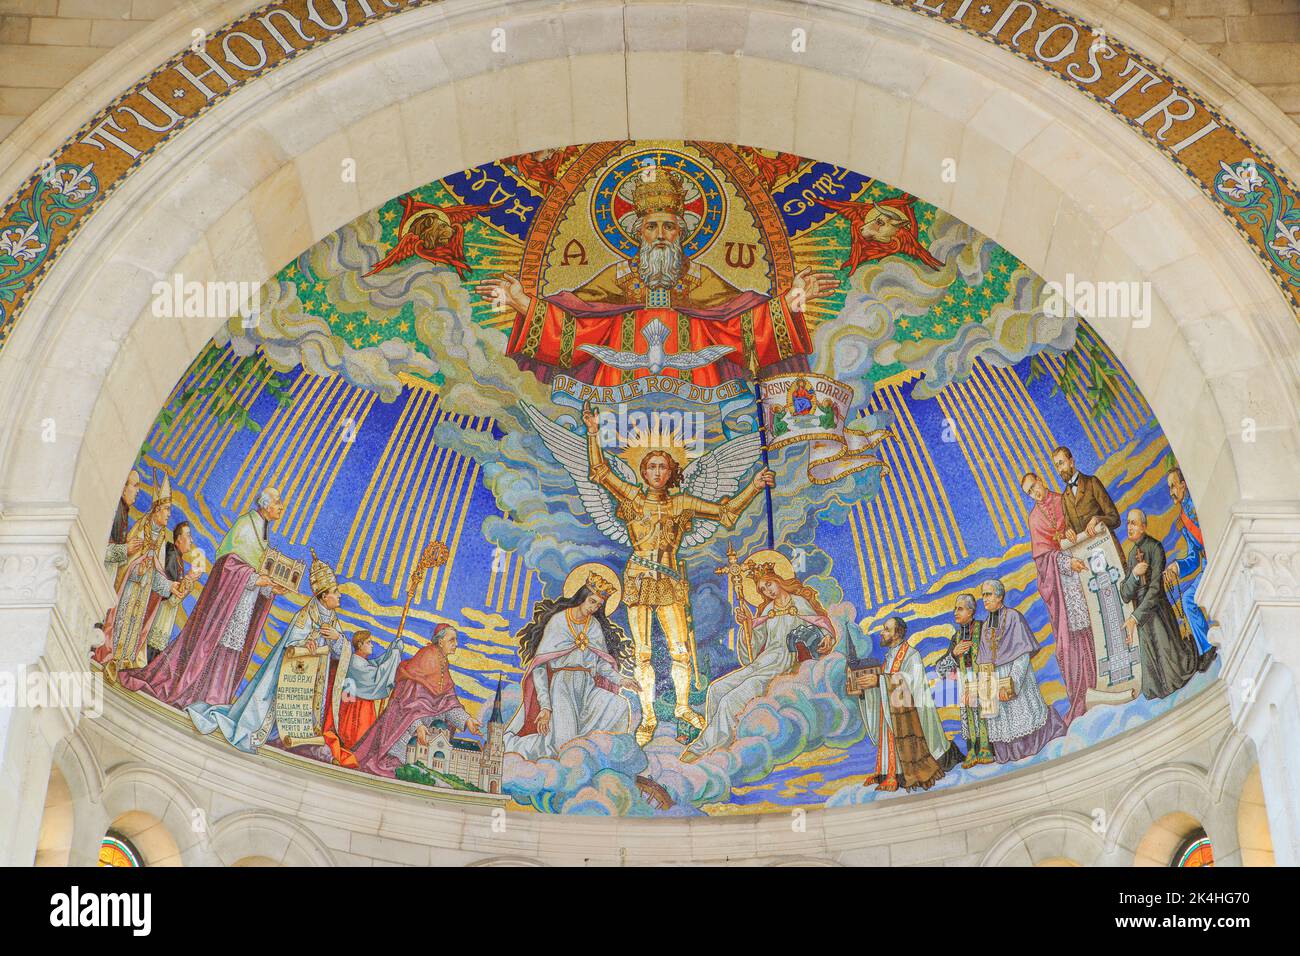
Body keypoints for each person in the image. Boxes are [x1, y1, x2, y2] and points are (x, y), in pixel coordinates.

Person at [479, 166, 835, 387]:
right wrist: (521, 302)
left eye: (669, 226)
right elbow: (578, 327)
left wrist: (791, 301)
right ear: (639, 234)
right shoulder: (615, 278)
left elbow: (740, 329)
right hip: (616, 393)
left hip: (701, 392)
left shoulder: (702, 279)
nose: (661, 233)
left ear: (682, 232)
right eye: (652, 226)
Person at [581, 402, 774, 745]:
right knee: (642, 652)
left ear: (671, 472)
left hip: (669, 578)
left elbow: (727, 513)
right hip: (640, 577)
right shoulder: (633, 498)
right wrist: (593, 432)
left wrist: (755, 487)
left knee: (680, 650)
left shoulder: (682, 503)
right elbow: (599, 471)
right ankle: (648, 716)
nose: (657, 472)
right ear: (643, 471)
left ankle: (683, 707)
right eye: (652, 466)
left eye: (663, 466)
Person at [118, 487, 289, 709]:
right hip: (227, 604)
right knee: (215, 644)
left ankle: (214, 698)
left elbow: (256, 573)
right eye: (278, 501)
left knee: (231, 648)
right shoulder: (245, 526)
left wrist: (271, 588)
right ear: (265, 505)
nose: (281, 506)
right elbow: (228, 564)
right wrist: (257, 580)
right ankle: (201, 695)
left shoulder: (263, 532)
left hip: (243, 604)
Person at [188, 550, 346, 759]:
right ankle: (262, 730)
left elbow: (342, 652)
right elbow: (292, 640)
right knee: (274, 707)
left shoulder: (332, 619)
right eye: (336, 591)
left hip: (312, 678)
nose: (340, 595)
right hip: (291, 674)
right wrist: (305, 642)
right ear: (324, 596)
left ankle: (294, 737)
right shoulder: (307, 613)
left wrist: (337, 638)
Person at [682, 560, 834, 762]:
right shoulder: (767, 610)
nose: (767, 591)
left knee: (731, 699)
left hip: (784, 663)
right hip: (762, 662)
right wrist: (747, 624)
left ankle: (703, 749)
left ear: (778, 580)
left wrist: (827, 637)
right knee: (716, 689)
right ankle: (719, 742)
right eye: (762, 589)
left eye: (769, 584)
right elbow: (752, 650)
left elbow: (819, 624)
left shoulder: (798, 603)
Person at [504, 568, 638, 760]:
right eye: (592, 601)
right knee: (564, 745)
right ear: (582, 596)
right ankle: (521, 749)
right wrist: (546, 707)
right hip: (562, 687)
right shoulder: (559, 621)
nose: (594, 608)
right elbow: (540, 668)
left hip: (587, 687)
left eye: (598, 605)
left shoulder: (594, 626)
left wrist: (622, 680)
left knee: (619, 706)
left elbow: (600, 664)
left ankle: (609, 759)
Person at [351, 623, 481, 778]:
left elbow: (448, 702)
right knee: (398, 767)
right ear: (440, 642)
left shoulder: (442, 663)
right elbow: (409, 702)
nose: (456, 644)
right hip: (403, 726)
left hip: (427, 732)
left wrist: (467, 720)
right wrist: (417, 725)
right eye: (452, 640)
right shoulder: (427, 658)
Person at [96, 478, 198, 673]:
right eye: (166, 509)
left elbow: (156, 570)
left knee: (135, 627)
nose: (169, 514)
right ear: (157, 510)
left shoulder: (160, 537)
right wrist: (137, 570)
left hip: (143, 593)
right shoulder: (143, 528)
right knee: (121, 621)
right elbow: (125, 562)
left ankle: (124, 661)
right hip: (128, 587)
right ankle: (111, 658)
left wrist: (170, 587)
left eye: (169, 510)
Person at [1021, 471, 1097, 725]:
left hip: (1085, 571)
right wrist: (1063, 560)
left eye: (1035, 487)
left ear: (1041, 480)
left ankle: (1102, 681)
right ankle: (1082, 694)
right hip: (1063, 588)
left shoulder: (1064, 499)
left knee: (1095, 626)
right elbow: (1043, 562)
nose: (1035, 493)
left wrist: (1073, 534)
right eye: (1029, 493)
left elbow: (1081, 523)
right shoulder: (1034, 519)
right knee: (1068, 643)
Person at [856, 616, 962, 792]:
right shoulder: (889, 657)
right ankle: (889, 772)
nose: (881, 633)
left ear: (897, 634)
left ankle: (903, 773)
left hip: (912, 715)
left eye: (887, 629)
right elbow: (885, 684)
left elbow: (912, 684)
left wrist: (880, 681)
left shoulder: (911, 655)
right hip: (891, 713)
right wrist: (867, 688)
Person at [977, 579, 1066, 763]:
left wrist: (1013, 684)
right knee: (1004, 723)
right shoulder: (985, 626)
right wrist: (987, 689)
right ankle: (1011, 754)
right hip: (996, 680)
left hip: (1016, 675)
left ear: (1000, 596)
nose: (984, 599)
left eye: (988, 594)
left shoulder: (1013, 617)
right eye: (983, 595)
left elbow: (1023, 655)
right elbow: (984, 662)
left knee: (1023, 714)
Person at [1120, 509, 1201, 699]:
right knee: (1152, 684)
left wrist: (1134, 617)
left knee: (1172, 665)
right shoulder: (1132, 556)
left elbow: (1155, 589)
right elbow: (1125, 593)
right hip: (1142, 612)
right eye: (1128, 523)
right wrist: (1134, 575)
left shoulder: (1155, 548)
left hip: (1157, 608)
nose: (1129, 527)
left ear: (1144, 526)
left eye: (1134, 523)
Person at [322, 629, 403, 764]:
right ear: (359, 645)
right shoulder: (355, 662)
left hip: (361, 705)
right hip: (356, 708)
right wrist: (394, 655)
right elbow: (377, 675)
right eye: (369, 642)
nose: (372, 645)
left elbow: (377, 663)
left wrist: (392, 650)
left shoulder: (362, 661)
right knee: (358, 741)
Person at [1163, 468, 1217, 670]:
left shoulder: (1197, 503)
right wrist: (1177, 566)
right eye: (1169, 488)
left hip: (1217, 559)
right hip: (1206, 567)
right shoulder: (1184, 520)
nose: (1171, 492)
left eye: (1173, 486)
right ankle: (1207, 648)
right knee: (1187, 599)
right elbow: (1194, 558)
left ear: (1183, 485)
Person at [934, 594, 995, 768]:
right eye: (955, 608)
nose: (955, 612)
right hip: (965, 681)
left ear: (971, 610)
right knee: (969, 716)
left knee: (985, 712)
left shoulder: (983, 629)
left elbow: (995, 653)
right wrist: (954, 654)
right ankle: (972, 751)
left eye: (959, 609)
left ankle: (987, 748)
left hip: (984, 678)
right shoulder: (957, 637)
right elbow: (940, 670)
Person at [145, 521, 196, 663]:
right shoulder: (172, 556)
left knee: (154, 649)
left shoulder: (178, 558)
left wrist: (188, 581)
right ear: (179, 538)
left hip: (165, 614)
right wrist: (188, 580)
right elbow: (170, 596)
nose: (191, 540)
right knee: (151, 648)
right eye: (188, 536)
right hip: (159, 613)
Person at [1051, 446, 1120, 547]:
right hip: (1088, 554)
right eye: (1057, 466)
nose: (1060, 470)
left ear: (1071, 462)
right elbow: (1069, 526)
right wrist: (1068, 531)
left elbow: (1115, 518)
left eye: (1061, 463)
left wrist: (1097, 519)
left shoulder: (1092, 482)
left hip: (1108, 545)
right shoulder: (1064, 497)